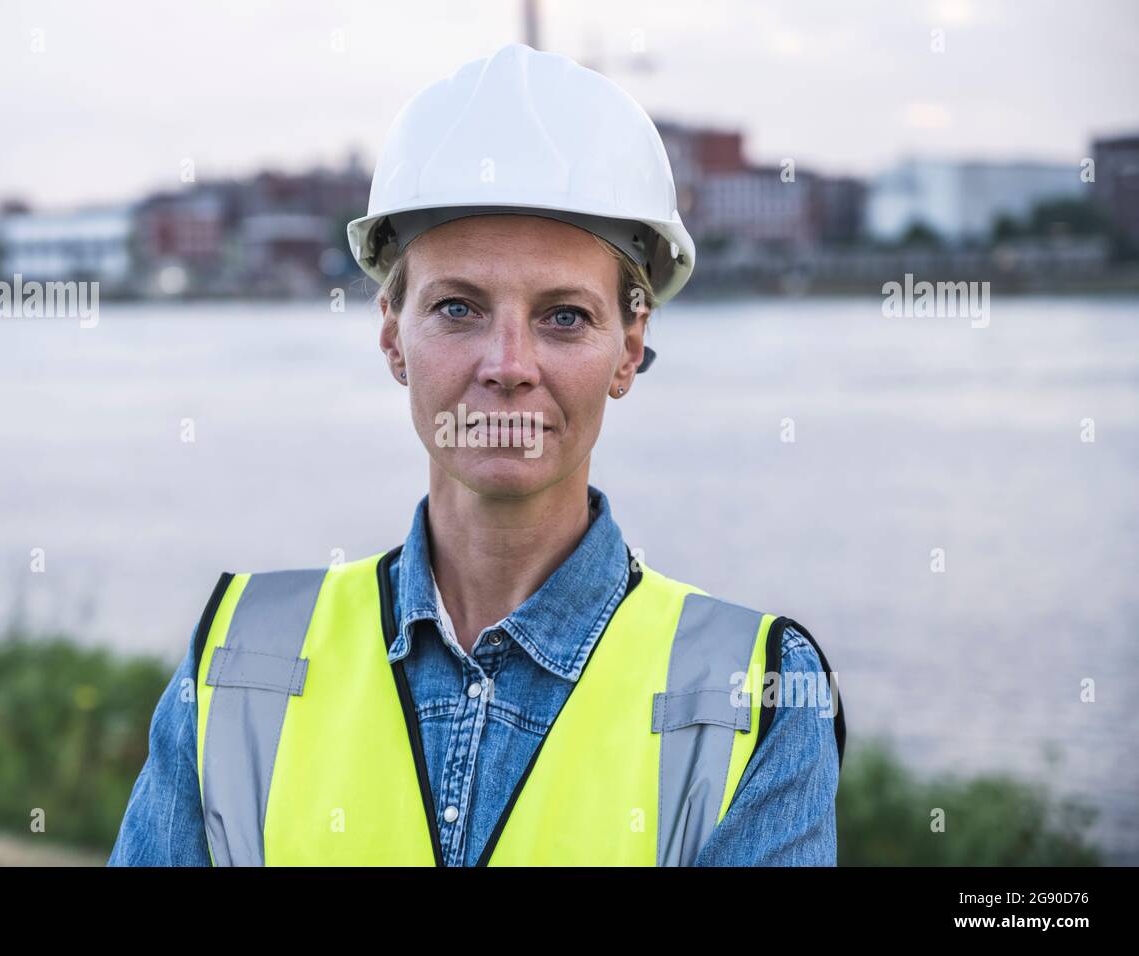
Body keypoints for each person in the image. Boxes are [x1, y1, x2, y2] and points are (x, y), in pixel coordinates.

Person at [109, 41, 844, 867]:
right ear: (393, 335)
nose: (508, 365)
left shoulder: (758, 697)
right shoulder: (237, 664)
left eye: (564, 316)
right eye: (458, 308)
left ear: (629, 347)